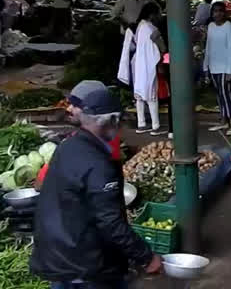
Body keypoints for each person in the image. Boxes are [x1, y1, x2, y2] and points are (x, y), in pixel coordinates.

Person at [30, 86, 163, 287]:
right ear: (112, 121)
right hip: (85, 263)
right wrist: (146, 257)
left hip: (57, 254)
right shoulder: (99, 164)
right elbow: (110, 222)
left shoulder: (67, 146)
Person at [203, 1, 231, 133]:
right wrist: (205, 66)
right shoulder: (211, 26)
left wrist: (229, 71)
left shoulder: (229, 27)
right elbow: (208, 47)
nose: (217, 14)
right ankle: (224, 121)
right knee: (218, 94)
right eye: (215, 11)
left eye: (220, 11)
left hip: (225, 67)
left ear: (224, 13)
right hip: (213, 66)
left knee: (226, 94)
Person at [133, 3, 167, 135]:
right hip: (148, 64)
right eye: (158, 13)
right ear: (152, 14)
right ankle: (155, 125)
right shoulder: (150, 28)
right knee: (152, 95)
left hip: (139, 64)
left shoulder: (140, 26)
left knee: (140, 96)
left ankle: (141, 124)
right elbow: (160, 48)